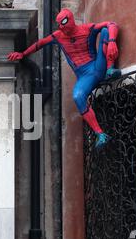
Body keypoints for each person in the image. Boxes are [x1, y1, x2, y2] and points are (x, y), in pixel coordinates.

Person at [8, 8, 122, 148]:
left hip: (97, 67)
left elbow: (111, 24)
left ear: (71, 21)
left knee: (105, 31)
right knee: (78, 96)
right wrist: (23, 54)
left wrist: (112, 41)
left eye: (65, 25)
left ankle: (110, 69)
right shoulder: (59, 36)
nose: (63, 29)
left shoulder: (87, 29)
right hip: (84, 76)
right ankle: (100, 134)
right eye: (60, 26)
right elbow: (40, 44)